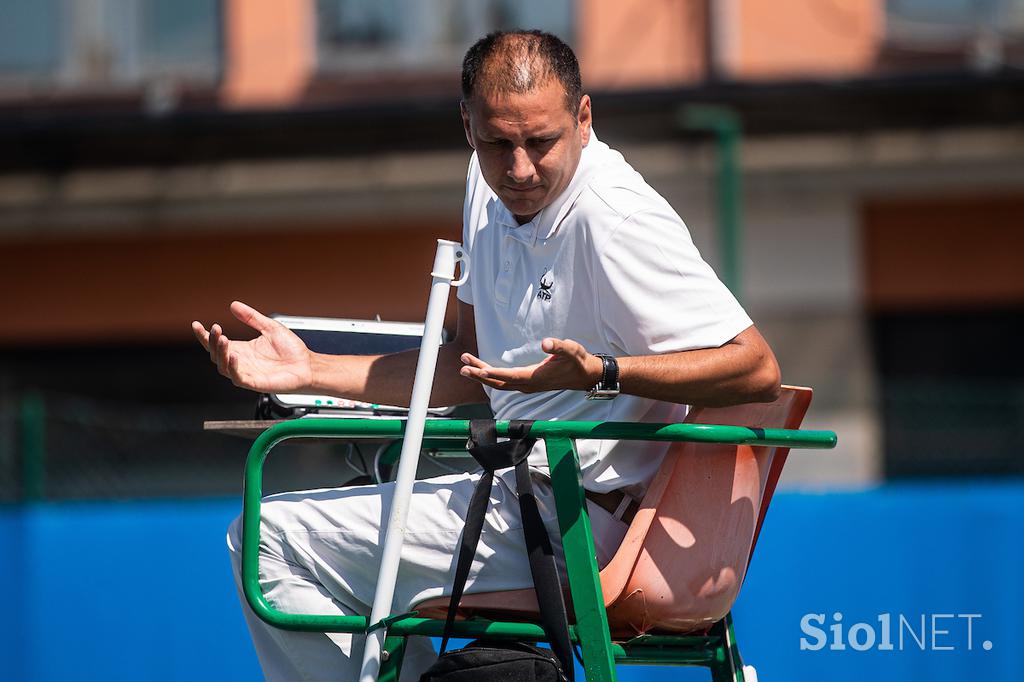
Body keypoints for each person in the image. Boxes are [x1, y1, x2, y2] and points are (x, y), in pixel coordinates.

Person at [193, 30, 780, 682]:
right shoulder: (483, 180)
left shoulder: (617, 222)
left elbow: (755, 366)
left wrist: (605, 374)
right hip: (517, 494)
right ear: (467, 124)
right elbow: (467, 366)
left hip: (588, 526)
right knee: (304, 531)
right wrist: (311, 369)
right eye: (499, 142)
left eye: (542, 142)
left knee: (264, 541)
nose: (520, 168)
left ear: (584, 119)